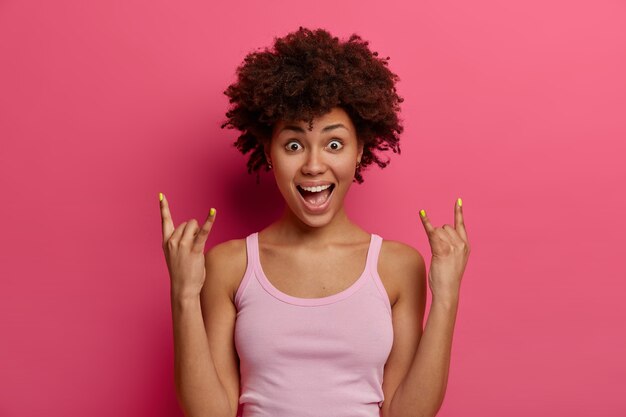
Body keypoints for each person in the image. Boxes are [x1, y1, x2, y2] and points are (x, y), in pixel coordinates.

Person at [159, 27, 471, 417]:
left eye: (334, 143)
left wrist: (446, 297)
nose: (313, 164)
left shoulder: (398, 266)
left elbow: (406, 413)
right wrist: (184, 294)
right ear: (268, 152)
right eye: (293, 145)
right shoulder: (229, 265)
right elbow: (210, 413)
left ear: (360, 151)